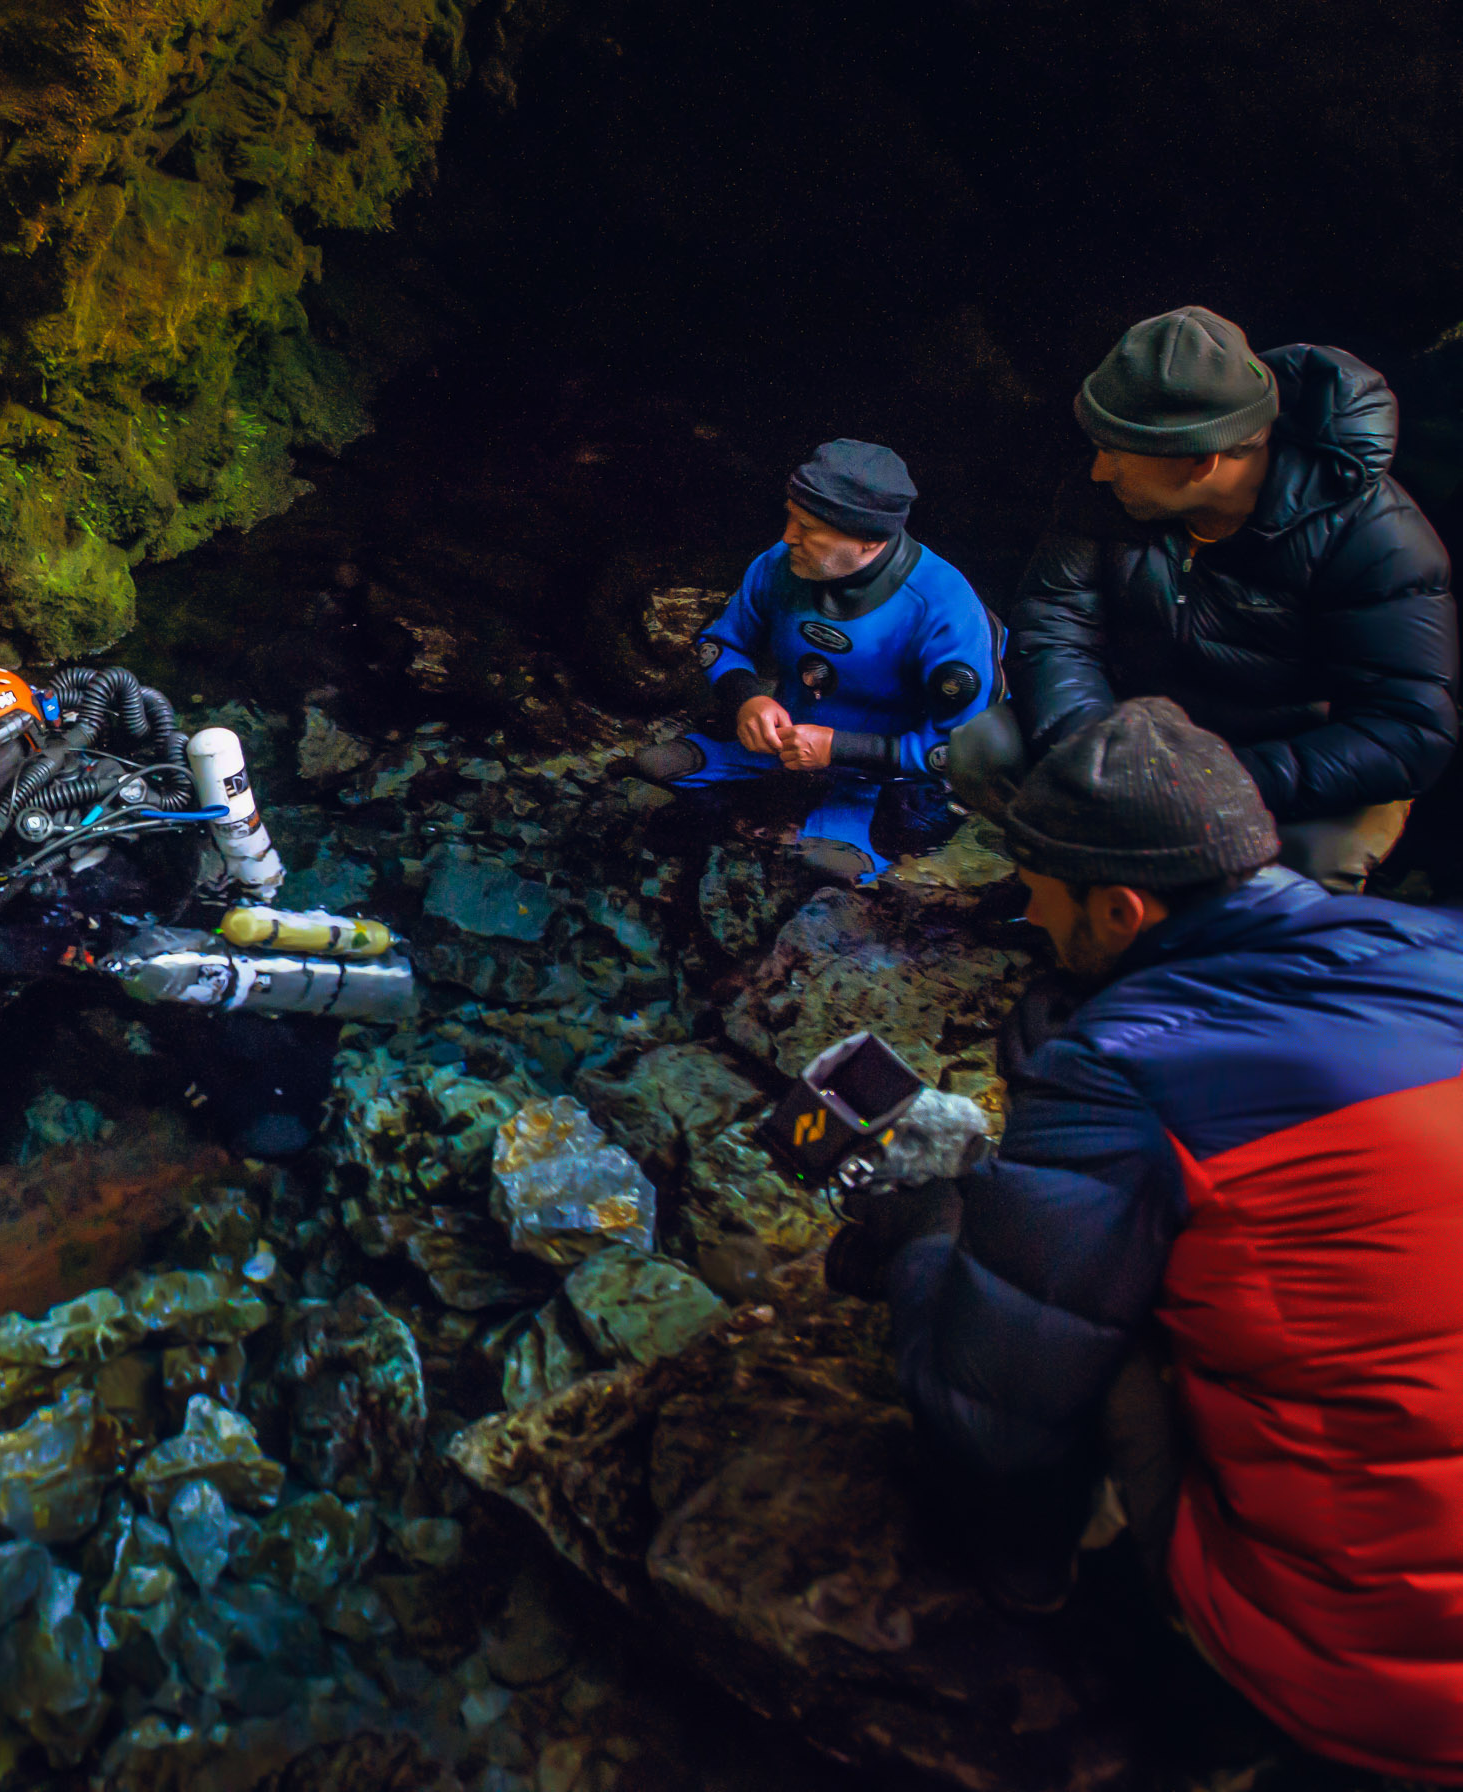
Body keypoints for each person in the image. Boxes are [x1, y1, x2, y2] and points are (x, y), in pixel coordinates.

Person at [850, 697, 1463, 1781]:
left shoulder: (1127, 1064)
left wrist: (922, 1236)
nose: (1030, 923)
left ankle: (1046, 1589)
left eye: (1039, 900)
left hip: (1382, 1677)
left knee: (1083, 1308)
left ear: (1123, 911)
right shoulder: (1439, 950)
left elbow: (992, 1410)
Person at [0, 664, 411, 1159]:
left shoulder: (87, 834)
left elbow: (50, 947)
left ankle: (299, 1077)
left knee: (194, 1028)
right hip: (52, 932)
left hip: (133, 940)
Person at [948, 305, 1459, 893]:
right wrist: (1104, 755)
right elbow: (1053, 625)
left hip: (1282, 762)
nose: (1096, 470)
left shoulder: (1375, 538)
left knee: (1314, 858)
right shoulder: (1112, 498)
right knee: (984, 749)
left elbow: (1407, 731)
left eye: (1114, 451)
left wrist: (1214, 782)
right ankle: (1091, 891)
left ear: (1200, 458)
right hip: (1136, 738)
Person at [624, 440, 1000, 880]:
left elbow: (955, 750)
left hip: (884, 767)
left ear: (868, 541)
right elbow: (719, 643)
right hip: (789, 739)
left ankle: (861, 820)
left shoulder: (943, 611)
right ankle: (748, 779)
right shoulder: (778, 565)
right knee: (651, 767)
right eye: (790, 516)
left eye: (808, 526)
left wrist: (838, 748)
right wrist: (747, 699)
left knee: (824, 867)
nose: (788, 536)